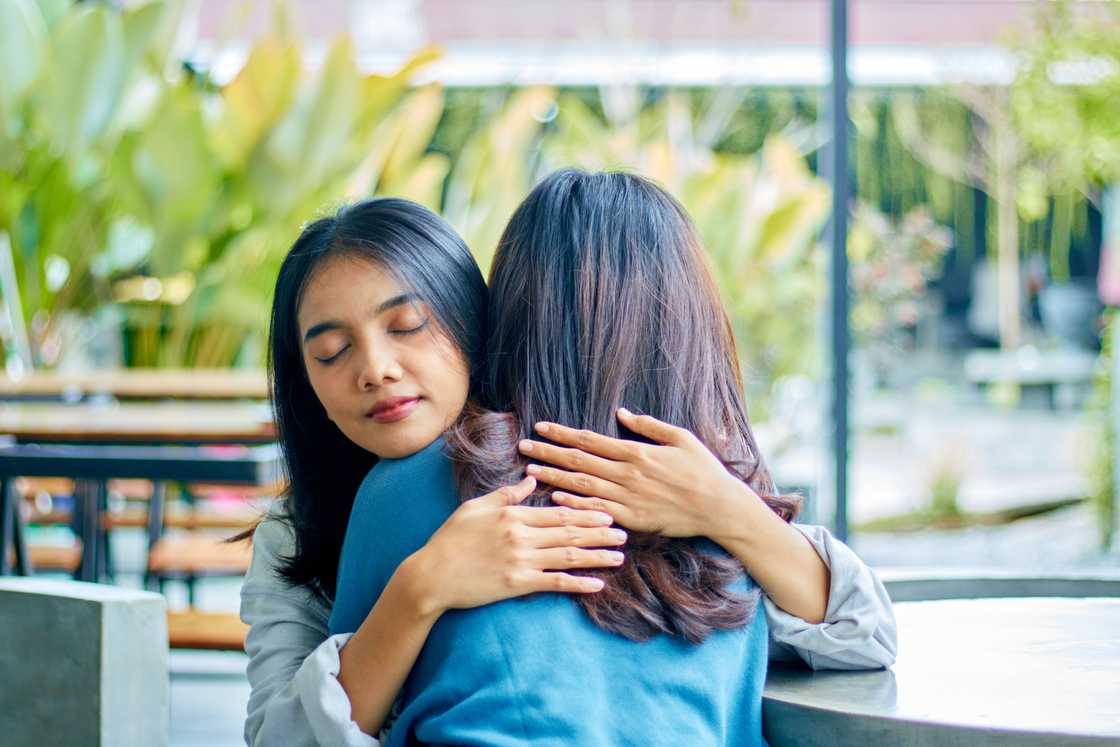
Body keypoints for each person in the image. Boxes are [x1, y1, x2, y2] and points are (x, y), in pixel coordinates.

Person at [242, 188, 896, 746]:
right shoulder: (313, 524)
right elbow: (284, 735)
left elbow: (862, 629)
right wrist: (422, 585)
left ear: (482, 328)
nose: (374, 369)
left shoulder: (677, 492)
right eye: (330, 351)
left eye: (408, 325)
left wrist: (726, 506)